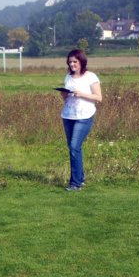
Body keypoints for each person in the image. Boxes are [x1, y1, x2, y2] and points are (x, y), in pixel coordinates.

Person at [58, 49, 102, 191]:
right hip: (68, 115)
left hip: (84, 116)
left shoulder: (91, 77)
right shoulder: (68, 77)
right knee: (74, 148)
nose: (72, 64)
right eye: (70, 62)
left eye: (75, 61)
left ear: (81, 61)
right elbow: (65, 99)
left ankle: (75, 183)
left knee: (74, 147)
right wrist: (64, 94)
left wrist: (81, 94)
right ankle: (80, 179)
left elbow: (98, 97)